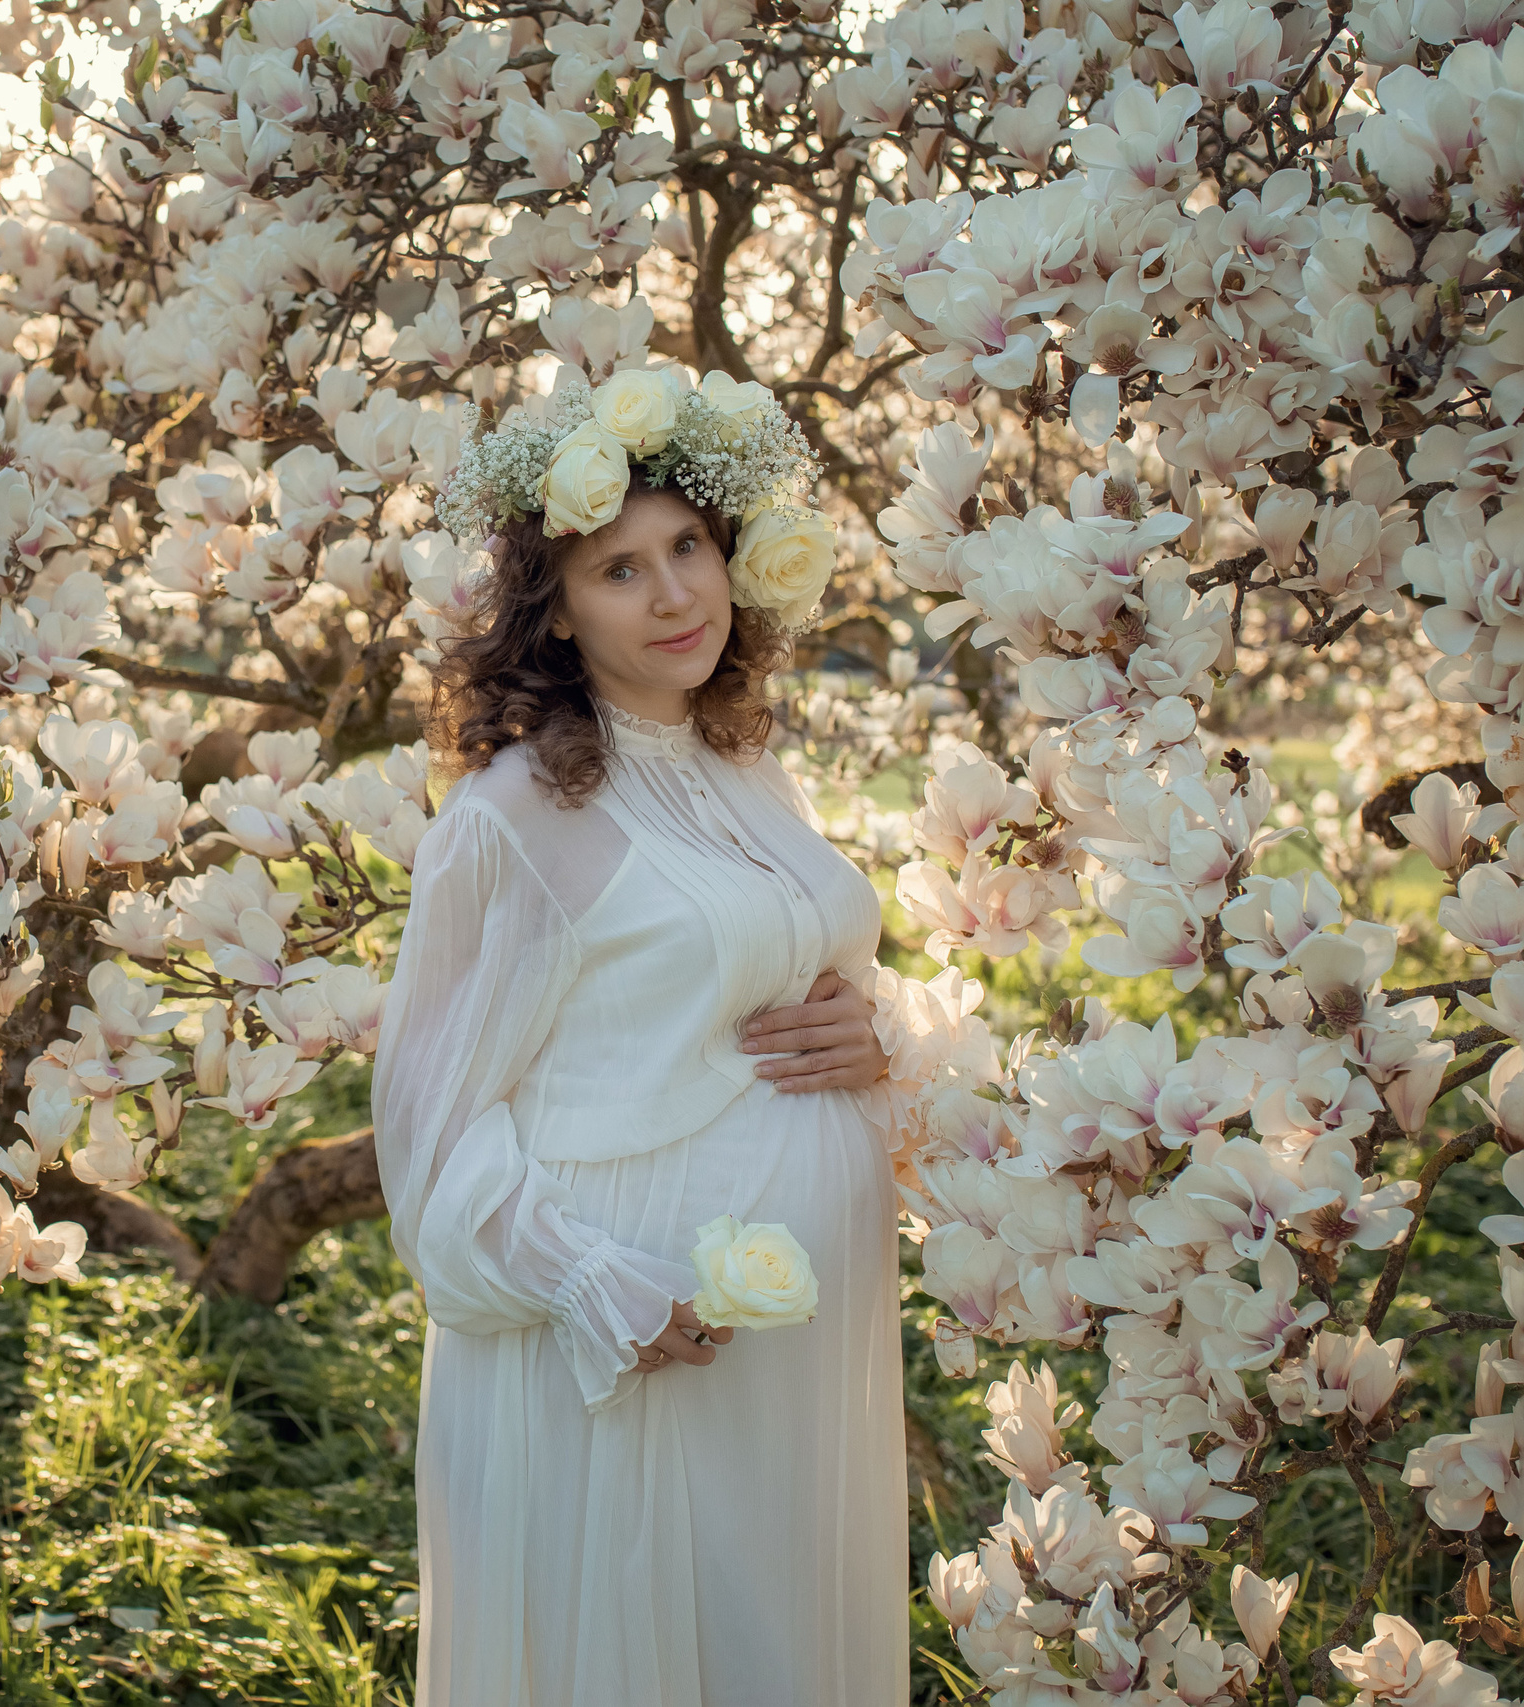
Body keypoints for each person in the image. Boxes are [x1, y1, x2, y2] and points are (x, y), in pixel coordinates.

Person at [373, 364, 911, 1705]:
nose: (677, 595)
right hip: (632, 1341)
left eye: (689, 549)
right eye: (621, 570)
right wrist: (593, 1282)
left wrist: (875, 1029)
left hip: (794, 1356)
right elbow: (435, 1127)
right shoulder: (513, 819)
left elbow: (788, 970)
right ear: (554, 614)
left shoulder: (747, 766)